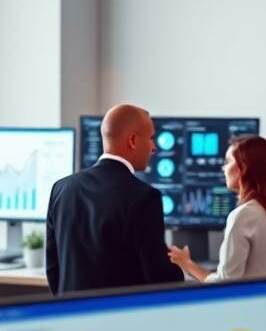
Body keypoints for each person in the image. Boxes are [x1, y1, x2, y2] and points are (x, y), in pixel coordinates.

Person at [46, 103, 183, 294]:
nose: (153, 148)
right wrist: (180, 267)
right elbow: (160, 278)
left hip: (73, 317)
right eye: (151, 138)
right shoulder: (144, 197)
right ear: (133, 140)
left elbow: (53, 270)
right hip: (121, 319)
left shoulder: (61, 189)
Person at [169, 135, 266, 281]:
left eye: (228, 162)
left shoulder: (243, 215)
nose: (223, 168)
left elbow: (224, 284)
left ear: (243, 168)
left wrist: (187, 264)